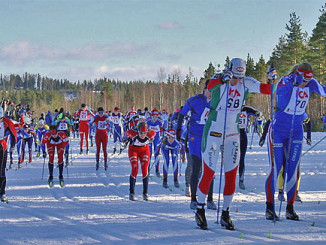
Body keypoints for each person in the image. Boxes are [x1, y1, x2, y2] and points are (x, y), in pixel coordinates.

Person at [195, 58, 271, 230]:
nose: (236, 80)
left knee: (231, 174)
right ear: (229, 70)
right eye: (234, 77)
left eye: (239, 77)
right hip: (214, 131)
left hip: (232, 133)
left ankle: (226, 212)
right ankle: (200, 209)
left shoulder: (246, 81)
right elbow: (210, 86)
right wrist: (223, 79)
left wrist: (273, 80)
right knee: (209, 172)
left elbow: (266, 90)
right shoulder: (219, 77)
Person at [265, 63, 325, 221]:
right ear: (297, 75)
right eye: (304, 79)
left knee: (293, 170)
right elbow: (279, 92)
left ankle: (290, 208)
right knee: (277, 168)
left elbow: (323, 90)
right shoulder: (286, 80)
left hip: (296, 131)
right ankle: (270, 207)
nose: (306, 83)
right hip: (278, 130)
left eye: (308, 79)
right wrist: (294, 84)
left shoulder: (311, 83)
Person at [176, 80, 216, 211]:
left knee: (210, 169)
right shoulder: (195, 100)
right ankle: (194, 198)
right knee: (196, 166)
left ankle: (210, 199)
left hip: (210, 137)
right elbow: (181, 114)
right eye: (211, 91)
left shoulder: (216, 101)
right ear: (205, 89)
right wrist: (178, 131)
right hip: (195, 137)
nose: (212, 94)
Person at [124, 121, 155, 201]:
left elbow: (154, 133)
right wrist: (126, 138)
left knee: (145, 168)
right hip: (133, 150)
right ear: (138, 131)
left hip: (144, 150)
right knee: (135, 168)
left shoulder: (150, 134)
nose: (142, 135)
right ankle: (131, 192)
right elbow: (127, 133)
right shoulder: (133, 133)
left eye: (144, 133)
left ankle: (145, 192)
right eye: (141, 133)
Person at [238, 105, 262, 190]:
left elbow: (257, 112)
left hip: (242, 135)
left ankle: (241, 179)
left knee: (241, 158)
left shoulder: (246, 109)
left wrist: (257, 114)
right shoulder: (231, 107)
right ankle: (230, 179)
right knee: (231, 159)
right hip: (232, 135)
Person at [0, 107, 17, 202]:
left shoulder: (6, 122)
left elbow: (14, 134)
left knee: (1, 170)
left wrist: (13, 146)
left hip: (2, 146)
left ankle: (2, 192)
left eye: (0, 118)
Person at [147, 109, 164, 175]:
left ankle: (157, 168)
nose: (154, 118)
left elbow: (164, 128)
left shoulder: (160, 121)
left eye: (156, 117)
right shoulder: (148, 121)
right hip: (150, 138)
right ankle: (147, 168)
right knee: (149, 153)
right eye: (153, 116)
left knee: (156, 153)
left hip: (157, 138)